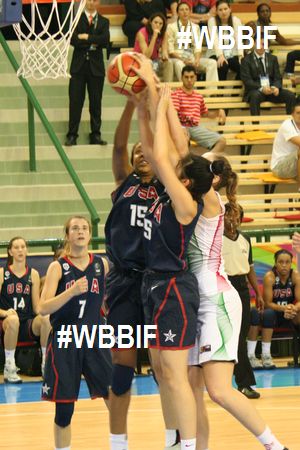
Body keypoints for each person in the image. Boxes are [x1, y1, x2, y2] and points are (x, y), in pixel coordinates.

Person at [135, 74, 222, 450]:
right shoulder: (176, 190)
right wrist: (144, 107)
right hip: (153, 285)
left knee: (175, 374)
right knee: (160, 371)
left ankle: (187, 445)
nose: (174, 167)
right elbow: (159, 150)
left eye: (180, 170)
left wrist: (160, 98)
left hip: (174, 289)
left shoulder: (187, 204)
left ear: (185, 181)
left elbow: (160, 152)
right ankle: (174, 439)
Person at [186, 153, 290, 450]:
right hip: (196, 301)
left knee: (218, 390)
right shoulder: (199, 197)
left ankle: (275, 446)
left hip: (215, 301)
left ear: (210, 179)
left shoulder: (209, 200)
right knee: (191, 391)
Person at [104, 97, 165, 450]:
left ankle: (175, 435)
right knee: (123, 366)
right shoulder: (122, 184)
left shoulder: (167, 188)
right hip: (125, 283)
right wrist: (130, 106)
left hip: (157, 284)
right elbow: (118, 146)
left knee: (164, 369)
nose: (141, 153)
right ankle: (118, 441)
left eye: (148, 150)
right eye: (138, 151)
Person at [39, 216, 112, 450]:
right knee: (64, 411)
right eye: (75, 228)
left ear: (90, 234)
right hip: (65, 338)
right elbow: (42, 308)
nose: (80, 232)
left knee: (115, 398)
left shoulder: (102, 264)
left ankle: (120, 445)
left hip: (94, 335)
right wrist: (69, 293)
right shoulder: (57, 267)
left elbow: (107, 301)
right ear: (68, 235)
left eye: (84, 228)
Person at [222, 203, 263, 399]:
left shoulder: (246, 239)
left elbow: (250, 269)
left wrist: (258, 293)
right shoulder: (216, 240)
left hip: (242, 289)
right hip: (223, 287)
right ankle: (242, 383)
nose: (233, 219)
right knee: (230, 337)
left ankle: (241, 383)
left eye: (237, 216)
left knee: (240, 335)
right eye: (229, 215)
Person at [0, 237, 51, 384]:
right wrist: (5, 313)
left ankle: (45, 364)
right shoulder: (3, 273)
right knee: (14, 320)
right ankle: (9, 367)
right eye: (16, 247)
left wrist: (47, 309)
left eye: (23, 247)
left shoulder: (33, 274)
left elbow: (36, 307)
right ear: (10, 251)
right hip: (6, 323)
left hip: (26, 323)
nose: (20, 250)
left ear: (27, 250)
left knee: (46, 318)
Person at [65, 0, 110, 147]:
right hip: (78, 67)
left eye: (94, 0)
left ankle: (95, 134)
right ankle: (72, 134)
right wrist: (92, 42)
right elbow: (73, 40)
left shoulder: (104, 21)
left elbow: (104, 40)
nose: (91, 2)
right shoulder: (75, 19)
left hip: (96, 68)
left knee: (96, 103)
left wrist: (86, 37)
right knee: (75, 102)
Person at [248, 249, 300, 370]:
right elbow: (267, 303)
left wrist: (293, 308)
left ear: (291, 263)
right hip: (274, 315)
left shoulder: (295, 276)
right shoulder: (270, 277)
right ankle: (265, 355)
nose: (284, 265)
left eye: (287, 262)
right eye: (281, 262)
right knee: (268, 314)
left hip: (290, 314)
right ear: (275, 263)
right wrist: (284, 308)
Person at [171, 65, 226, 154]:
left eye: (192, 77)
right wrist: (181, 127)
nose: (189, 80)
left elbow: (205, 113)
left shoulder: (198, 97)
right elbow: (173, 114)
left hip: (195, 128)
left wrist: (218, 112)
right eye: (186, 77)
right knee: (184, 140)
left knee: (222, 141)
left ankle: (205, 161)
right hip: (180, 127)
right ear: (182, 78)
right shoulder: (176, 94)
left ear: (196, 78)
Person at [240, 34, 296, 116]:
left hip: (271, 90)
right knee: (255, 96)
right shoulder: (246, 60)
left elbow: (278, 77)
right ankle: (255, 127)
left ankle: (290, 124)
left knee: (290, 95)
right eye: (259, 43)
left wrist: (275, 87)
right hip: (256, 90)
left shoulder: (272, 58)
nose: (261, 46)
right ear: (254, 43)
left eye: (263, 44)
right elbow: (247, 81)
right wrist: (262, 88)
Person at [167, 2, 218, 82]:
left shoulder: (195, 27)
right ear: (177, 13)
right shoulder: (171, 27)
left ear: (190, 12)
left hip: (191, 58)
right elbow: (171, 51)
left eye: (187, 9)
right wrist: (183, 60)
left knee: (212, 63)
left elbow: (197, 47)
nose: (185, 12)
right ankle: (187, 91)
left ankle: (211, 93)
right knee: (179, 64)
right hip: (177, 58)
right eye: (182, 10)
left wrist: (197, 60)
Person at [206, 0, 242, 81]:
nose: (223, 12)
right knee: (222, 65)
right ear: (216, 11)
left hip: (232, 53)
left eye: (225, 9)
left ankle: (234, 93)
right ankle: (220, 92)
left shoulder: (235, 20)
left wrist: (240, 55)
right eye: (220, 10)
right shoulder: (212, 21)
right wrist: (220, 56)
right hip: (215, 53)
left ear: (230, 9)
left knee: (243, 67)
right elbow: (214, 39)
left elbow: (239, 39)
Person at [133, 12, 173, 81]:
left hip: (155, 61)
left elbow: (164, 50)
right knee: (150, 63)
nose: (158, 25)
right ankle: (152, 88)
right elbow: (146, 55)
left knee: (168, 63)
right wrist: (154, 37)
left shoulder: (164, 34)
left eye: (161, 24)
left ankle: (168, 87)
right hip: (140, 60)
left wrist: (164, 56)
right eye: (155, 22)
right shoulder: (141, 33)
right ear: (150, 22)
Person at [270, 98, 300, 188]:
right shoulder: (287, 125)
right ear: (292, 114)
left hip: (294, 165)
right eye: (298, 113)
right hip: (279, 167)